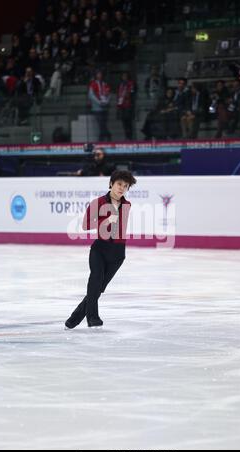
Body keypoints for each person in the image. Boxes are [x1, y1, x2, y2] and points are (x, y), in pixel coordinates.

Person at [65, 170, 137, 329]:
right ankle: (93, 318)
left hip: (118, 253)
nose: (121, 188)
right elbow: (85, 225)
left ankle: (73, 320)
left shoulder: (127, 205)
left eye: (125, 186)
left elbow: (118, 230)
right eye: (119, 184)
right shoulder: (97, 203)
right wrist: (105, 220)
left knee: (98, 289)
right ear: (111, 183)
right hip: (99, 249)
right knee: (95, 280)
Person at [88, 70, 111, 141]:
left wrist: (106, 101)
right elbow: (91, 95)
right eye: (98, 74)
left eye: (100, 74)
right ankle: (105, 137)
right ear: (96, 75)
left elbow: (109, 94)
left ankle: (104, 137)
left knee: (103, 124)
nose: (99, 76)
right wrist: (99, 102)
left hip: (105, 107)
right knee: (101, 124)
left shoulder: (105, 84)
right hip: (96, 108)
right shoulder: (93, 84)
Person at [116, 72, 136, 140]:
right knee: (124, 122)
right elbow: (118, 94)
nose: (124, 77)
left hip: (128, 105)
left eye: (125, 76)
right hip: (121, 105)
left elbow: (132, 92)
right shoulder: (120, 84)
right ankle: (127, 136)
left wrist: (128, 94)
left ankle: (130, 137)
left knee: (128, 122)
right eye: (123, 76)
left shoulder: (131, 83)